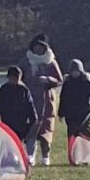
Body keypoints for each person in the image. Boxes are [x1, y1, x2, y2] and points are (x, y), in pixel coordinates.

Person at [23, 33, 63, 166]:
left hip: (47, 102)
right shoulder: (27, 61)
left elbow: (59, 80)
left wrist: (48, 80)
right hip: (30, 100)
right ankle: (30, 155)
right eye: (36, 47)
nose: (38, 50)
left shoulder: (51, 61)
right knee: (31, 129)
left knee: (46, 129)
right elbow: (18, 75)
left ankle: (46, 156)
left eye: (41, 47)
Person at [58, 57, 90, 144]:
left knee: (85, 132)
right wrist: (61, 113)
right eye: (72, 71)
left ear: (81, 71)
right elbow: (63, 98)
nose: (74, 73)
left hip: (84, 113)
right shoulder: (67, 83)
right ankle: (73, 154)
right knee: (72, 133)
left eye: (76, 71)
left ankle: (86, 150)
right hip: (71, 114)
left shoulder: (85, 82)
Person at [0, 64, 38, 156]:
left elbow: (30, 105)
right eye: (12, 77)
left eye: (17, 77)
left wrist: (33, 119)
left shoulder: (24, 90)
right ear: (8, 77)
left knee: (19, 141)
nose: (15, 79)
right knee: (8, 142)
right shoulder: (3, 89)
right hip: (7, 121)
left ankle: (22, 157)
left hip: (21, 122)